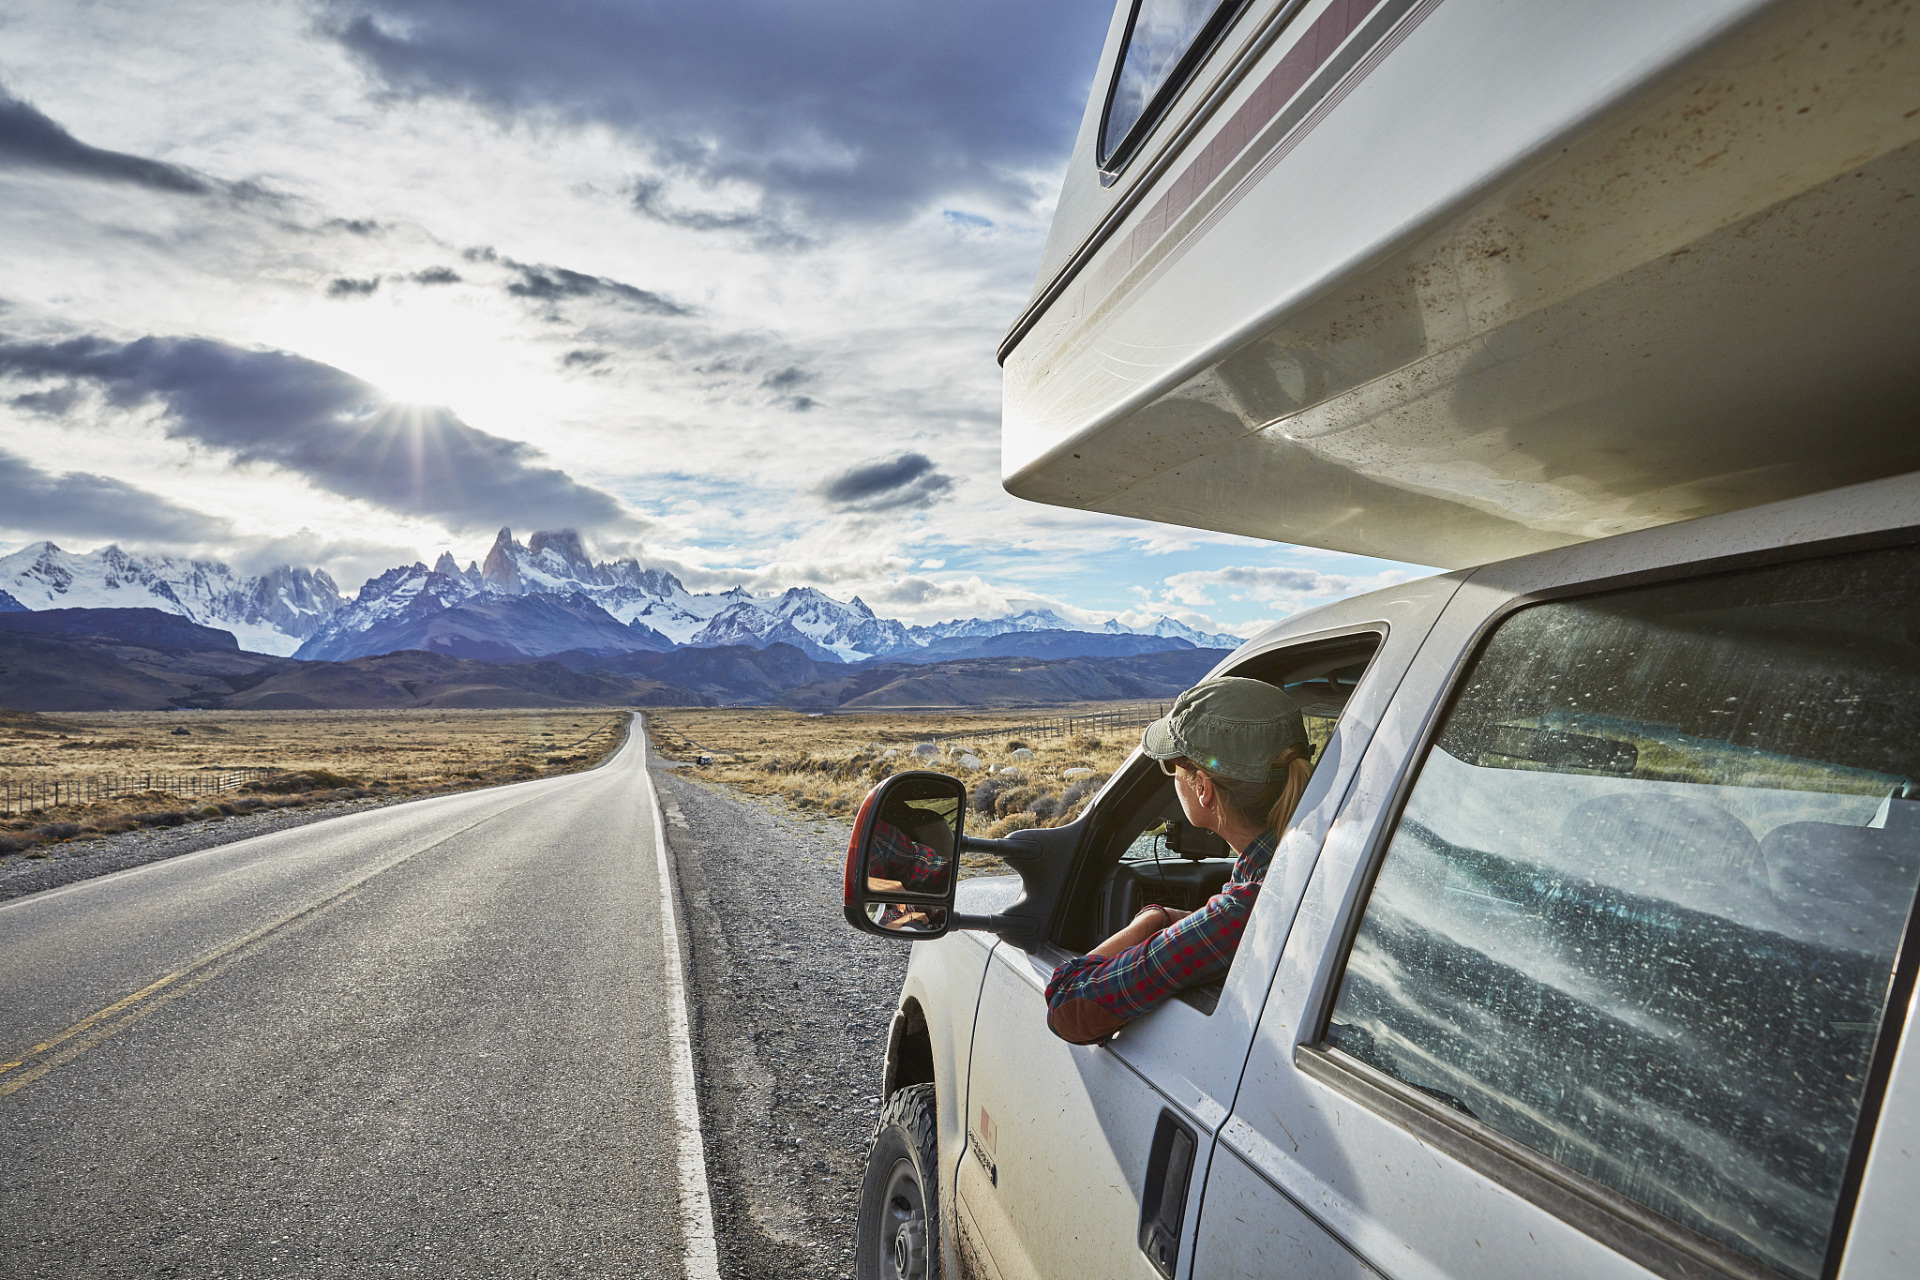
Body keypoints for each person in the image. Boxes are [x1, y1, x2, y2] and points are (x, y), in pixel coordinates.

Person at [1045, 677, 1315, 1044]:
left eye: (1173, 768)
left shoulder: (1250, 906)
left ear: (1203, 789)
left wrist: (1154, 919)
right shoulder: (1315, 863)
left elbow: (1067, 1005)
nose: (1172, 777)